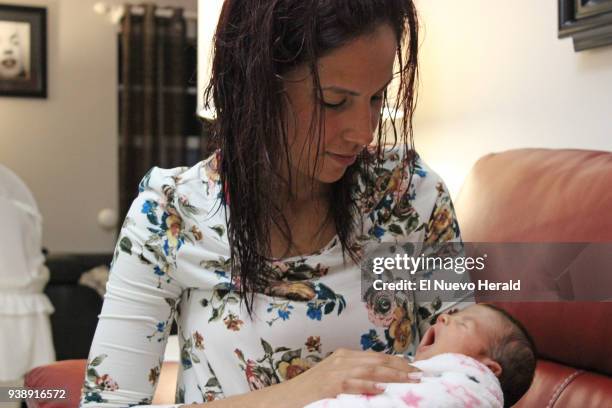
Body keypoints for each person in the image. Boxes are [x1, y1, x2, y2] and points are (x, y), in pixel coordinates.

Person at [79, 1, 471, 407]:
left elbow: (469, 370)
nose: (363, 132)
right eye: (335, 101)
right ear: (259, 85)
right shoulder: (169, 216)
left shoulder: (409, 196)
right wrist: (300, 392)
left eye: (376, 97)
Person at [305, 304, 537, 408]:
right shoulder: (414, 373)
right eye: (452, 315)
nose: (444, 317)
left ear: (489, 369)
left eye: (464, 323)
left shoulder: (469, 394)